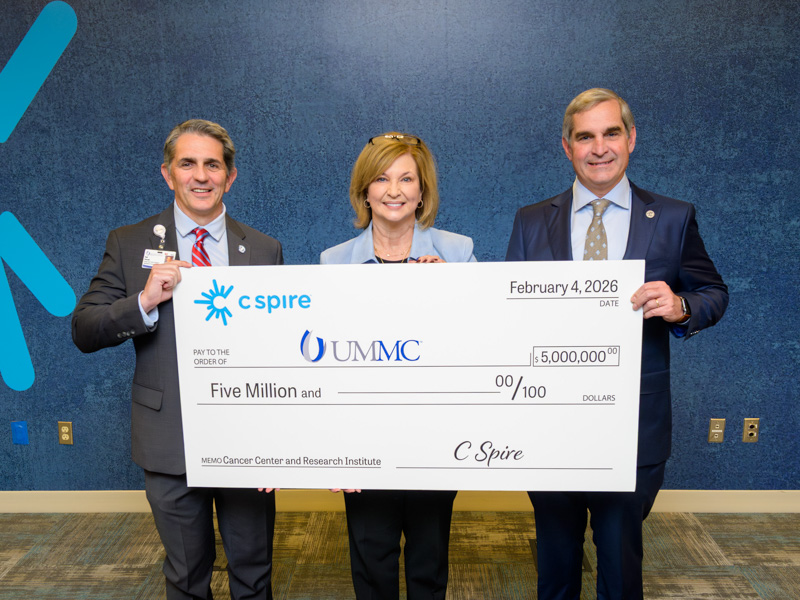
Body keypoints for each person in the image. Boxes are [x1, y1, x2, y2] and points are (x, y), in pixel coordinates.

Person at [506, 89, 728, 600]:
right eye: (585, 136)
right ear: (567, 147)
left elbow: (714, 292)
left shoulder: (672, 217)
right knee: (555, 569)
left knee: (620, 569)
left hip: (633, 425)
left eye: (610, 133)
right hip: (550, 421)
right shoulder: (532, 219)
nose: (598, 147)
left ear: (630, 139)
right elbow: (510, 310)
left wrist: (681, 305)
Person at [72, 119, 283, 600]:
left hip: (245, 439)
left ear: (230, 176)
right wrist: (144, 300)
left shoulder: (264, 249)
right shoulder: (128, 243)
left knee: (254, 572)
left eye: (213, 164)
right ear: (168, 174)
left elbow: (277, 348)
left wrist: (278, 441)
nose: (201, 175)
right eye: (188, 164)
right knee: (186, 576)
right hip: (169, 440)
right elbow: (84, 329)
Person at [321, 132, 476, 599]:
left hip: (434, 436)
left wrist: (450, 292)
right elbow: (327, 365)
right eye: (381, 178)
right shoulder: (333, 263)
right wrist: (333, 450)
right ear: (364, 190)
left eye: (407, 178)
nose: (394, 190)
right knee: (372, 564)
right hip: (363, 438)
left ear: (422, 190)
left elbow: (479, 343)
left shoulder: (458, 252)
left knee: (429, 563)